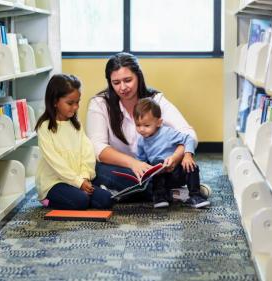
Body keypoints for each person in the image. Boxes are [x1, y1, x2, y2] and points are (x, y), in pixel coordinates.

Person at [86, 52, 211, 199]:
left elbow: (188, 133)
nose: (123, 87)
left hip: (156, 169)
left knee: (181, 169)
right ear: (110, 82)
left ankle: (140, 192)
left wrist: (176, 158)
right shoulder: (99, 104)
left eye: (128, 80)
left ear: (138, 76)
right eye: (116, 83)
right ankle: (175, 192)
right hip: (124, 168)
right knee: (99, 171)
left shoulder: (156, 100)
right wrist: (134, 164)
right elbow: (98, 148)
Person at [35, 74, 113, 210]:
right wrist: (78, 183)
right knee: (81, 200)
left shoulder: (76, 125)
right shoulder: (45, 127)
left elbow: (87, 153)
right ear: (54, 101)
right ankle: (47, 200)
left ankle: (76, 195)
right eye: (70, 103)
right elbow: (56, 163)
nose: (76, 107)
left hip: (78, 180)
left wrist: (84, 178)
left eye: (78, 102)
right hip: (54, 183)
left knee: (106, 199)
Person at [133, 98, 210, 208]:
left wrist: (187, 156)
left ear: (159, 122)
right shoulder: (141, 141)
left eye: (146, 125)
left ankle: (195, 196)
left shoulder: (167, 133)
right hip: (161, 176)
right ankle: (161, 197)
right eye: (138, 125)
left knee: (192, 166)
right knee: (157, 166)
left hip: (177, 171)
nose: (141, 129)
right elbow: (141, 160)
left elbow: (188, 138)